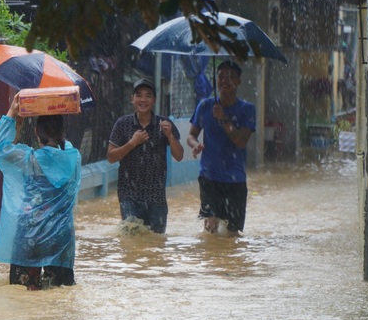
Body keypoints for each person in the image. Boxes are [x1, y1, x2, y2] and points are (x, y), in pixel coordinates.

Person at [0, 93, 82, 290]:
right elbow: (63, 149)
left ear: (36, 132)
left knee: (23, 296)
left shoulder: (28, 159)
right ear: (63, 131)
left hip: (29, 237)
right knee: (59, 297)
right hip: (61, 239)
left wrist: (12, 114)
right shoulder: (74, 158)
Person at [186, 60, 256, 236]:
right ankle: (212, 262)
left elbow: (241, 142)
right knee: (210, 229)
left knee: (232, 235)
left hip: (235, 180)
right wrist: (196, 146)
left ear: (239, 81)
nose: (225, 80)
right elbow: (191, 135)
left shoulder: (247, 110)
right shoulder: (205, 106)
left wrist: (224, 118)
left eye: (231, 77)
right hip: (209, 177)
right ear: (216, 79)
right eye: (221, 76)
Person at [106, 78, 184, 234]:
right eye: (139, 95)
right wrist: (132, 143)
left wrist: (170, 136)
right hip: (129, 196)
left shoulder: (164, 124)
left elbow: (179, 155)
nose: (143, 100)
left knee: (155, 246)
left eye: (148, 95)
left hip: (157, 198)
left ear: (154, 100)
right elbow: (111, 157)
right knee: (131, 243)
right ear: (132, 99)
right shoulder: (123, 124)